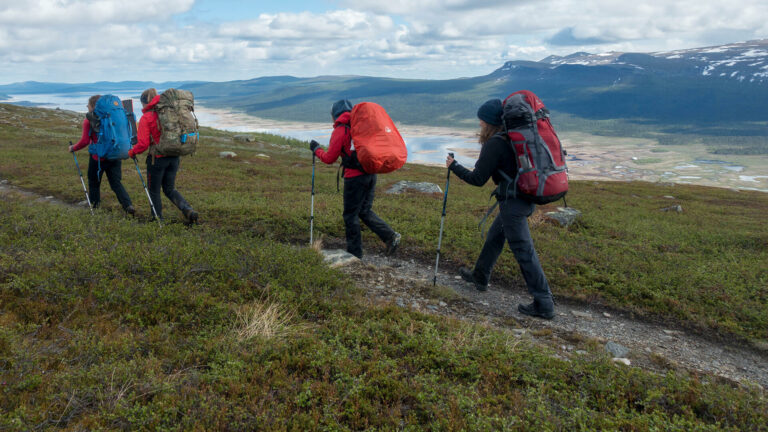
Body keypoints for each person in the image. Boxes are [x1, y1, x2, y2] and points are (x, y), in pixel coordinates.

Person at [446, 98, 555, 319]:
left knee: (524, 252)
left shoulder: (495, 143)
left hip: (513, 204)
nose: (479, 124)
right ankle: (480, 275)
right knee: (495, 237)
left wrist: (453, 166)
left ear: (490, 122)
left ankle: (544, 302)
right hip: (523, 198)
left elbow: (477, 179)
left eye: (482, 121)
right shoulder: (512, 138)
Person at [309, 99, 400, 259]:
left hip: (354, 179)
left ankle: (354, 254)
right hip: (371, 173)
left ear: (334, 115)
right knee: (364, 211)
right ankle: (390, 236)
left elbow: (329, 158)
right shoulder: (363, 126)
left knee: (350, 216)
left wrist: (317, 149)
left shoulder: (341, 130)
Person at [128, 88, 198, 224]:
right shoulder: (170, 112)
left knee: (154, 190)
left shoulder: (147, 117)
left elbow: (142, 144)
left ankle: (157, 219)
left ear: (144, 102)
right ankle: (187, 209)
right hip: (174, 156)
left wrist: (132, 152)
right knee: (169, 188)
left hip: (157, 159)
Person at [68, 94, 135, 215]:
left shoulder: (89, 120)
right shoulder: (113, 117)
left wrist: (73, 148)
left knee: (94, 183)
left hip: (97, 158)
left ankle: (95, 207)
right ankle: (128, 205)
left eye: (88, 104)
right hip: (115, 153)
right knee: (116, 183)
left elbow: (84, 141)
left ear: (93, 105)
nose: (86, 106)